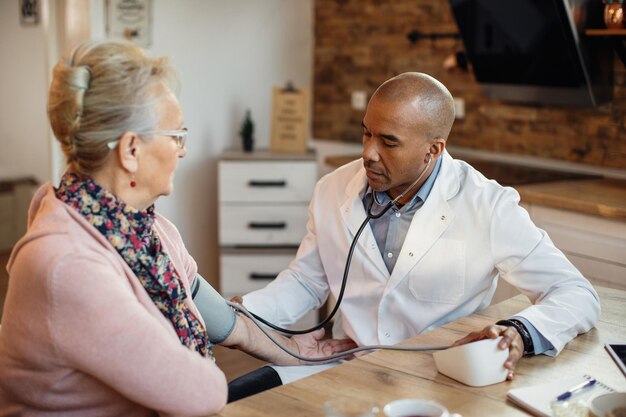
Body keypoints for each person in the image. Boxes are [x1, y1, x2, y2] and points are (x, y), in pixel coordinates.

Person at [0, 40, 354, 416]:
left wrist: (290, 349)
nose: (183, 151)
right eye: (176, 136)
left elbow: (221, 318)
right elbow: (200, 393)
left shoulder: (146, 230)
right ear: (131, 150)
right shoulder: (68, 266)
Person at [237, 72, 601, 390]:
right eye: (366, 133)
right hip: (345, 366)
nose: (368, 153)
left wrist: (520, 332)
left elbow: (575, 292)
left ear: (434, 150)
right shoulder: (332, 188)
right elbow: (306, 281)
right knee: (233, 398)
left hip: (440, 381)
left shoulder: (487, 205)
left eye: (388, 142)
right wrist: (241, 315)